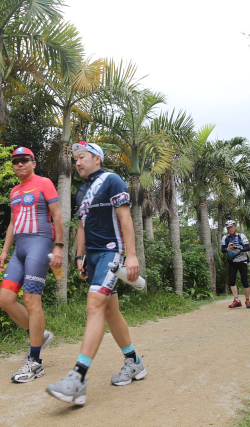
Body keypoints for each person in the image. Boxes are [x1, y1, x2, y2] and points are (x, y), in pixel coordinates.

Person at [46, 141, 146, 405]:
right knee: (110, 311)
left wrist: (132, 255)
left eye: (82, 157)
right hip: (92, 256)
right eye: (75, 159)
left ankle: (77, 378)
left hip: (111, 253)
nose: (77, 162)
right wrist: (79, 257)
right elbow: (81, 226)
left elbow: (125, 219)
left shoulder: (112, 180)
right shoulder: (81, 191)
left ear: (97, 159)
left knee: (94, 305)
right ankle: (134, 361)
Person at [0, 147, 65, 383]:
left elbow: (57, 216)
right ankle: (38, 333)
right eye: (15, 161)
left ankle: (35, 362)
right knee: (5, 299)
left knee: (31, 299)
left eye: (24, 160)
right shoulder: (14, 191)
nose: (20, 164)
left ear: (33, 163)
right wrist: (5, 251)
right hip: (20, 249)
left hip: (41, 244)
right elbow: (13, 223)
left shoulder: (44, 182)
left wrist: (59, 246)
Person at [220, 220, 250, 308]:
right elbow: (222, 250)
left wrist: (239, 250)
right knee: (232, 281)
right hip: (232, 262)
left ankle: (247, 300)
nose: (230, 229)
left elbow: (248, 247)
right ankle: (236, 300)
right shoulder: (225, 238)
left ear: (235, 227)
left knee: (244, 281)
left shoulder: (241, 236)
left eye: (232, 227)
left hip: (242, 261)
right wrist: (228, 250)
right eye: (228, 228)